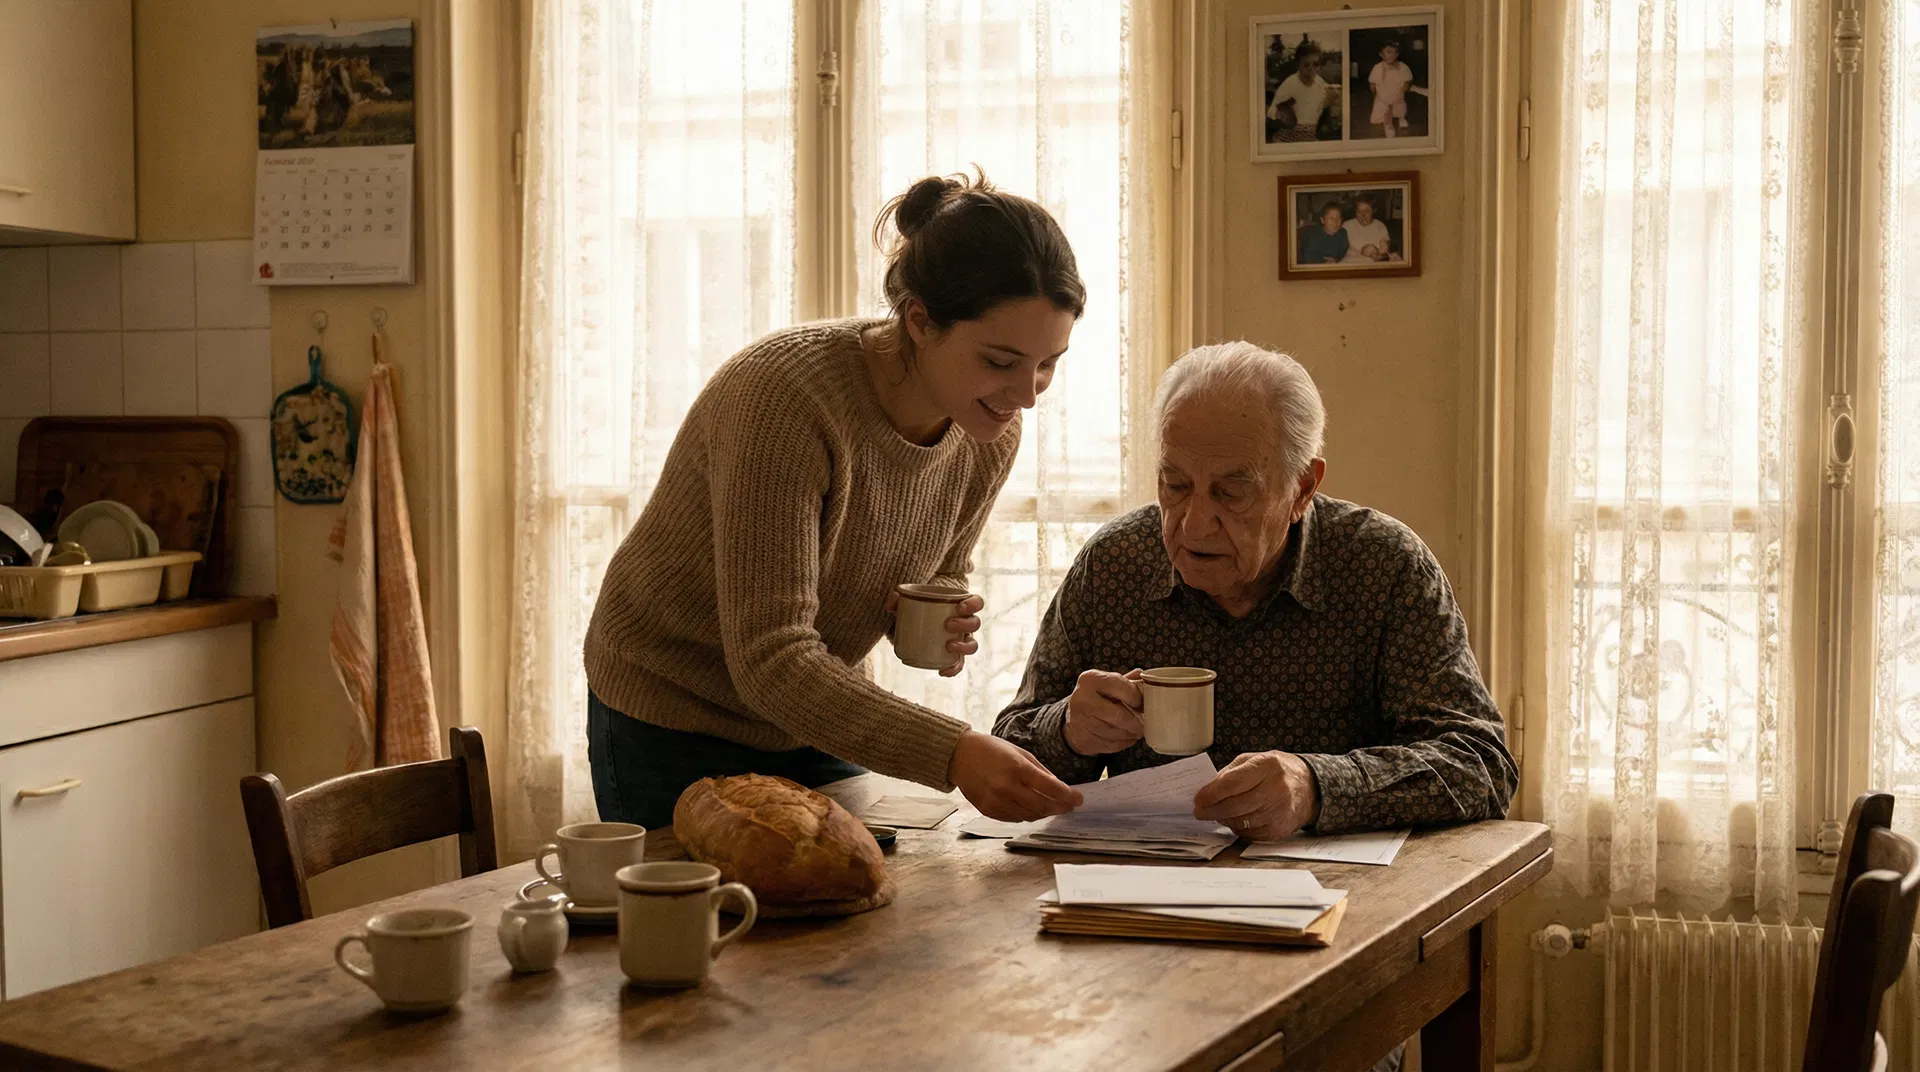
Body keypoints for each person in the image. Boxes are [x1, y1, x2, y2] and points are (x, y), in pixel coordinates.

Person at [583, 171, 1087, 830]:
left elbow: (939, 567)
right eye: (1001, 361)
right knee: (713, 925)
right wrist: (955, 752)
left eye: (1048, 363)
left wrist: (932, 621)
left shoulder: (987, 430)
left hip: (802, 715)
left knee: (863, 900)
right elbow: (771, 658)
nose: (1027, 394)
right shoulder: (784, 399)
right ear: (919, 321)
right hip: (669, 713)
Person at [993, 342, 1517, 842]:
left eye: (1231, 493)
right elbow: (1006, 753)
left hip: (1339, 897)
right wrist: (1068, 731)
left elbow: (1482, 762)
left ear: (1302, 489)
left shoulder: (1383, 566)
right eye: (1175, 485)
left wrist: (1315, 787)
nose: (1194, 525)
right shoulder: (1116, 564)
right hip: (1139, 890)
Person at [1266, 41, 1337, 143]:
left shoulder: (1320, 83)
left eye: (1315, 64)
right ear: (1298, 65)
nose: (1311, 69)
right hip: (1287, 137)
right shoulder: (1290, 84)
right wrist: (1282, 113)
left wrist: (1330, 101)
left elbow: (1323, 108)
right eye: (1306, 65)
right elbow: (1272, 113)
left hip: (1309, 136)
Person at [1366, 40, 1428, 139]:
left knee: (1400, 109)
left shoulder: (1403, 67)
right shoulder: (1377, 68)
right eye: (1388, 52)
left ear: (1397, 55)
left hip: (1397, 98)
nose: (1391, 55)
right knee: (1377, 118)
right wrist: (1376, 92)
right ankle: (1388, 122)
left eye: (1394, 53)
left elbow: (1407, 81)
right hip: (1383, 99)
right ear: (1381, 55)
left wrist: (1406, 86)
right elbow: (1372, 85)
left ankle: (1400, 117)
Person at [1340, 194, 1392, 263]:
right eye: (1359, 211)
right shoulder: (1347, 225)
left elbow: (1385, 251)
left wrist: (1378, 252)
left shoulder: (1380, 226)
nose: (1363, 215)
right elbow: (1337, 246)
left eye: (1367, 211)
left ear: (1374, 211)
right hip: (1350, 261)